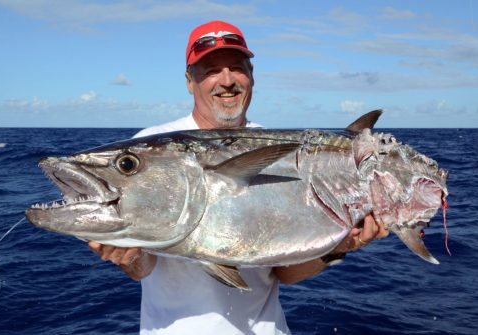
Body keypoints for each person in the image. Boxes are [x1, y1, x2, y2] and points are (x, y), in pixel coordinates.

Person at [88, 21, 389, 334]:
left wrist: (339, 248)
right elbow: (145, 269)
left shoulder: (278, 147)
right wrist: (127, 256)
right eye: (211, 70)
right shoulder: (152, 145)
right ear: (190, 81)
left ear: (252, 77)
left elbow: (284, 274)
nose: (227, 80)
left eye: (237, 67)